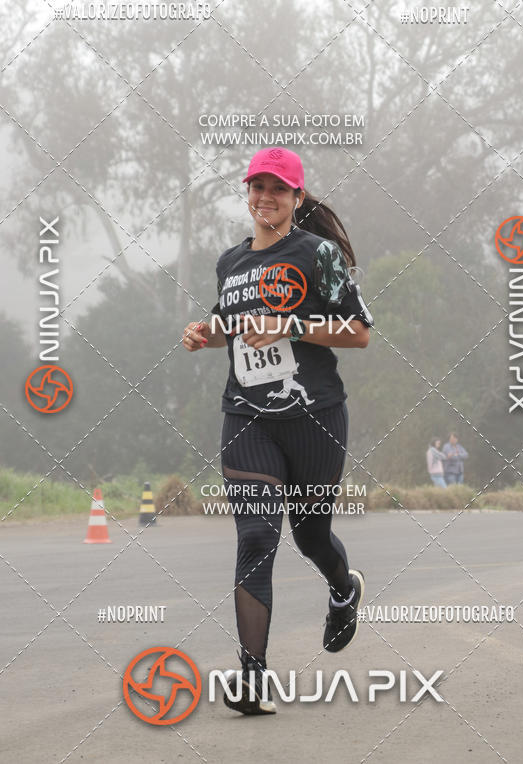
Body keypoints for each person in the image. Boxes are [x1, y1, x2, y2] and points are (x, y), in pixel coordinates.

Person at [182, 147, 374, 715]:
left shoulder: (318, 254)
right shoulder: (230, 263)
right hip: (247, 419)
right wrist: (205, 333)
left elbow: (360, 332)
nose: (264, 197)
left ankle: (344, 589)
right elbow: (230, 327)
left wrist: (290, 323)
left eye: (276, 189)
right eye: (256, 187)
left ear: (296, 197)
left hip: (315, 417)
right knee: (257, 538)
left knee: (310, 537)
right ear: (248, 193)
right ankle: (253, 678)